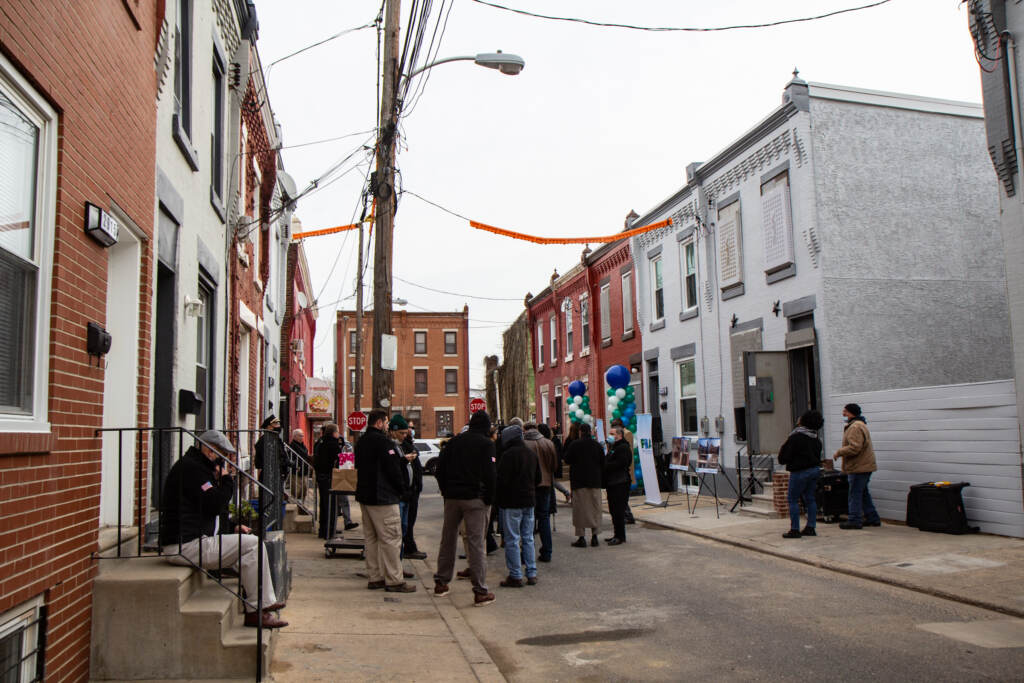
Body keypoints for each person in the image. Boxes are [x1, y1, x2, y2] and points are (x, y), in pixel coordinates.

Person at [160, 430, 286, 629]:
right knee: (253, 545)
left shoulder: (196, 468)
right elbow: (215, 503)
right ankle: (258, 608)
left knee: (249, 548)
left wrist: (232, 526)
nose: (219, 458)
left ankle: (260, 606)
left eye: (222, 455)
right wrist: (228, 480)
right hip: (185, 544)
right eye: (218, 453)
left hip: (192, 540)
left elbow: (209, 510)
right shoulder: (192, 469)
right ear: (207, 449)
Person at [432, 410, 497, 607]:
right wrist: (489, 498)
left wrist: (446, 491)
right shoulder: (486, 445)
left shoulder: (454, 442)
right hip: (475, 499)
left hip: (452, 497)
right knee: (476, 543)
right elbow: (490, 474)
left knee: (448, 539)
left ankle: (441, 582)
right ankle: (480, 590)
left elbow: (440, 470)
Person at [355, 410, 414, 592]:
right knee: (391, 539)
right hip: (383, 497)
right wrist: (401, 489)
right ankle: (394, 580)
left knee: (371, 539)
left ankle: (375, 577)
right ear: (380, 423)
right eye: (386, 422)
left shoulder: (361, 442)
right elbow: (392, 468)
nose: (387, 426)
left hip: (365, 496)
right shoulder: (383, 442)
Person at [496, 425, 540, 587]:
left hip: (511, 501)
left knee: (512, 539)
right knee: (528, 537)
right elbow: (538, 477)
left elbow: (501, 480)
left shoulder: (507, 456)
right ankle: (531, 572)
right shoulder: (531, 454)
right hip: (529, 499)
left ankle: (515, 575)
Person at [777, 410, 824, 539]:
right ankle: (811, 527)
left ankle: (795, 529)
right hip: (814, 470)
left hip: (800, 471)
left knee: (792, 499)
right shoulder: (816, 439)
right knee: (810, 498)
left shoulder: (796, 437)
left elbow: (783, 456)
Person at [834, 403, 881, 530]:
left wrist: (839, 452)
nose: (843, 414)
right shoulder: (860, 424)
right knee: (863, 493)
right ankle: (872, 518)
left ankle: (854, 520)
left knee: (854, 494)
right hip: (865, 466)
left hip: (858, 467)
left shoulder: (854, 427)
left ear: (850, 413)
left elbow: (855, 448)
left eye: (845, 411)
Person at [562, 423, 604, 547]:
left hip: (579, 482)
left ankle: (581, 537)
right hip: (595, 481)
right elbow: (603, 462)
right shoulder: (597, 445)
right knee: (595, 509)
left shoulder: (575, 445)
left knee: (580, 510)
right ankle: (595, 535)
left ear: (580, 432)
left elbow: (567, 459)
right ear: (590, 432)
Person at [313, 423, 357, 538]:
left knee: (324, 505)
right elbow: (339, 461)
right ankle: (330, 531)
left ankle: (323, 530)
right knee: (331, 506)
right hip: (329, 477)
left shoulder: (320, 443)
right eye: (338, 432)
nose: (339, 434)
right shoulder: (333, 445)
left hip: (321, 476)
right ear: (334, 433)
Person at [523, 423, 558, 562]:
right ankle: (547, 551)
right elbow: (554, 466)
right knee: (544, 518)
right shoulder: (548, 443)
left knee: (528, 519)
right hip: (546, 485)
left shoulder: (524, 444)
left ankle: (526, 553)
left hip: (530, 485)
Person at [604, 423, 633, 545]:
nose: (610, 436)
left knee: (618, 511)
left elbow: (620, 464)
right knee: (613, 510)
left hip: (620, 483)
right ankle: (616, 534)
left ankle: (620, 536)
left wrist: (605, 466)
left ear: (619, 435)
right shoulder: (613, 447)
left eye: (612, 434)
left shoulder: (623, 448)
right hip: (612, 482)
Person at [400, 428, 427, 560]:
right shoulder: (403, 447)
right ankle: (408, 548)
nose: (410, 433)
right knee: (406, 523)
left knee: (408, 522)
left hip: (413, 490)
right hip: (408, 492)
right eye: (405, 431)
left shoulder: (410, 446)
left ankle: (409, 547)